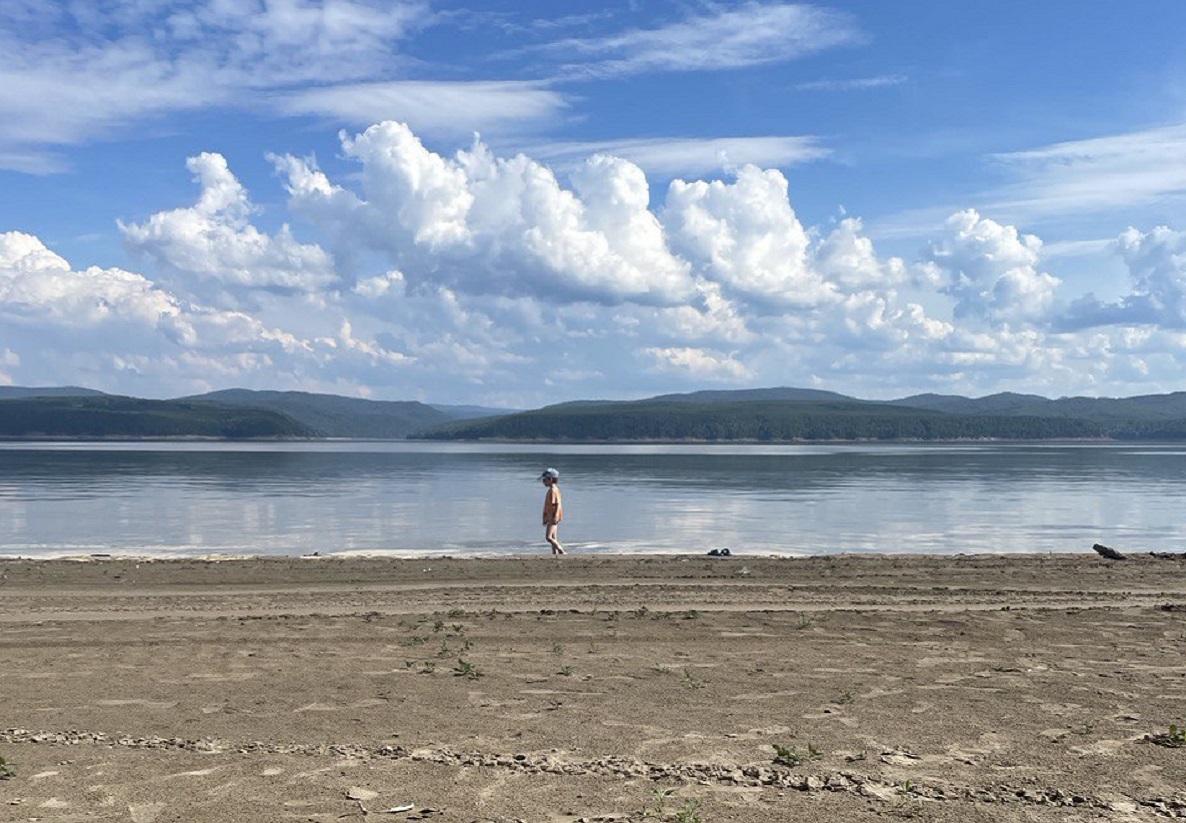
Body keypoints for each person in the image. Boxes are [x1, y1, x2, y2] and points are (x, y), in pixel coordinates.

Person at [540, 467, 565, 556]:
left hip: (553, 516)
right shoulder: (551, 490)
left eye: (544, 480)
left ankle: (561, 550)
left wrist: (555, 516)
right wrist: (545, 517)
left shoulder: (553, 490)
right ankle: (555, 553)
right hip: (551, 516)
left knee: (548, 537)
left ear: (550, 479)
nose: (543, 482)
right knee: (554, 536)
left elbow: (557, 504)